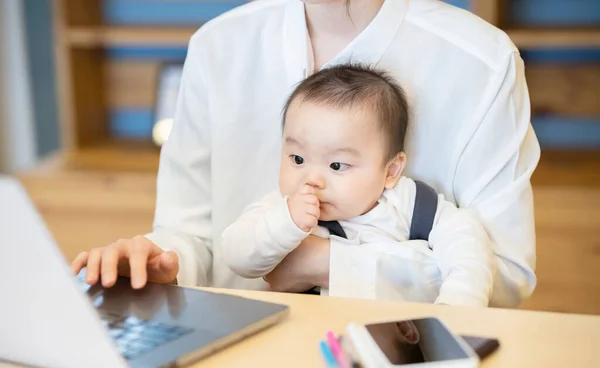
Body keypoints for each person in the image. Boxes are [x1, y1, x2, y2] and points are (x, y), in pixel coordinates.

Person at [71, 0, 540, 308]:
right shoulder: (217, 46)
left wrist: (326, 262)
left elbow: (505, 276)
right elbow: (194, 238)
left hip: (402, 361)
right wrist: (161, 263)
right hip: (235, 360)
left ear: (393, 168)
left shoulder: (481, 61)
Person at [222, 64, 495, 306]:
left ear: (391, 171)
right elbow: (237, 256)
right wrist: (286, 223)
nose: (311, 179)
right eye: (298, 158)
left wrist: (460, 301)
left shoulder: (413, 205)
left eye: (337, 166)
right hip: (305, 341)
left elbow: (466, 242)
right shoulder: (280, 209)